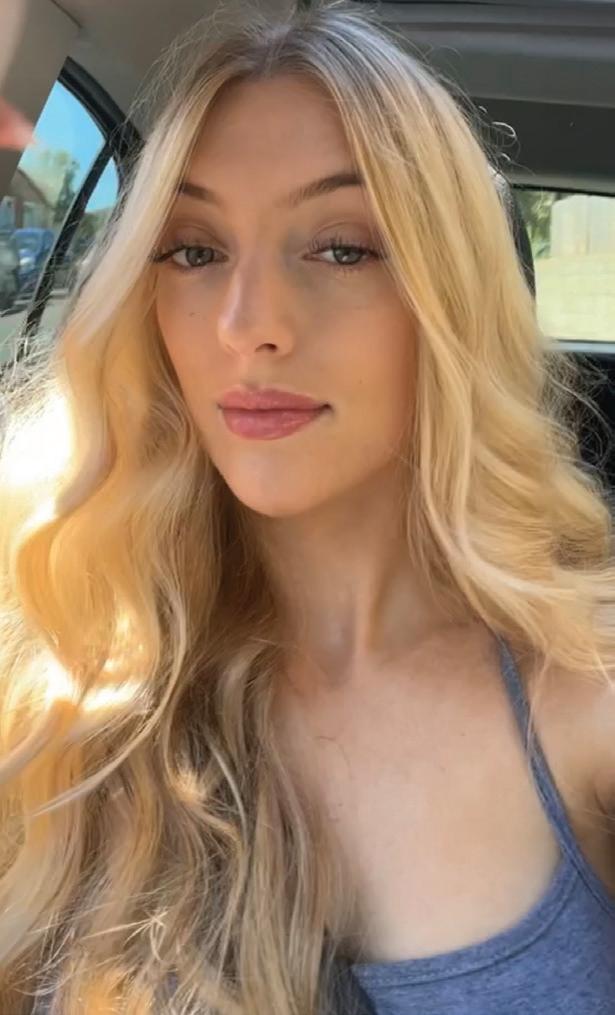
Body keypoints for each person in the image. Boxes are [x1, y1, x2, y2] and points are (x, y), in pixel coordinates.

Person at [1, 1, 615, 1012]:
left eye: (340, 247)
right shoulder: (55, 684)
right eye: (194, 250)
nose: (248, 325)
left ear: (449, 298)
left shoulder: (585, 697)